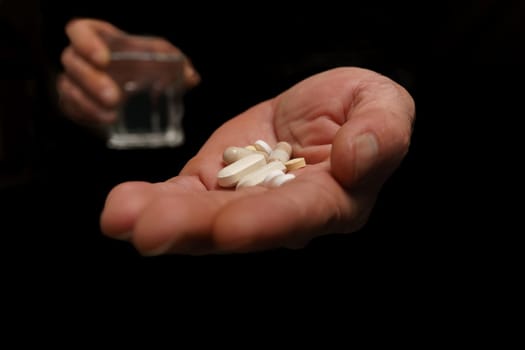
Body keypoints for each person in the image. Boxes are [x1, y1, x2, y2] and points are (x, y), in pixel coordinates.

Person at [55, 18, 415, 256]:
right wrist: (83, 90)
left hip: (322, 121)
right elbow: (50, 61)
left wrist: (369, 85)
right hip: (142, 160)